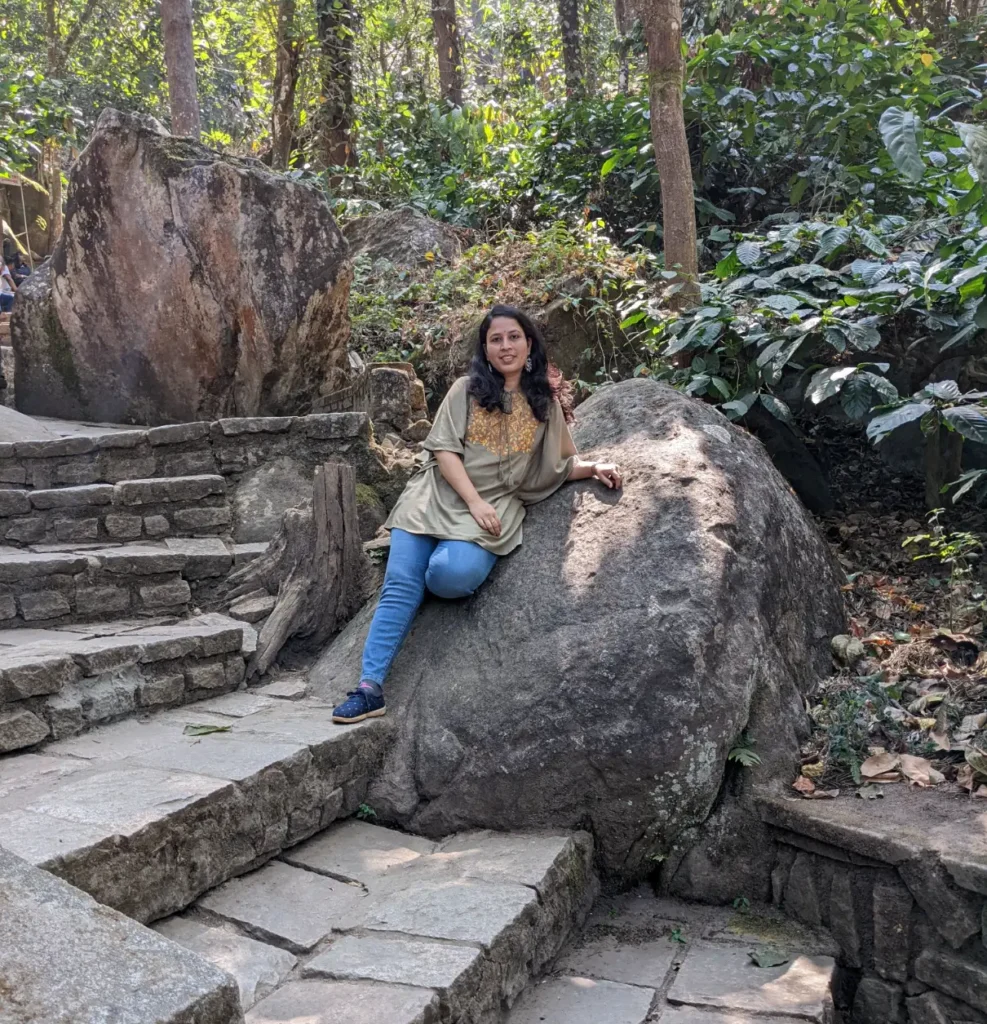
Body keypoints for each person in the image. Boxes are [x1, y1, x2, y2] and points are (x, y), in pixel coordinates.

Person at [332, 303, 623, 724]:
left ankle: (423, 572)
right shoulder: (465, 390)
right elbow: (445, 452)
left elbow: (558, 464)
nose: (506, 346)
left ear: (529, 344)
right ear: (485, 349)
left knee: (452, 576)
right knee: (400, 585)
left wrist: (593, 468)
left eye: (514, 337)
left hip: (496, 504)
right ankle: (368, 688)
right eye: (495, 339)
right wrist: (473, 501)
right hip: (437, 495)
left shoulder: (543, 403)